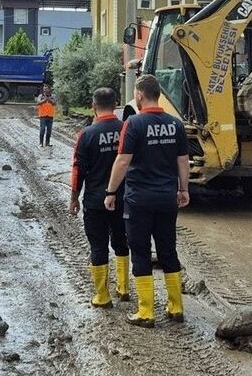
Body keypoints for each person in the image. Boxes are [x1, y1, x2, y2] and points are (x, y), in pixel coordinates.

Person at [105, 74, 189, 328]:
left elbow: (122, 161)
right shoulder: (176, 125)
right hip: (166, 198)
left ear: (140, 95)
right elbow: (183, 161)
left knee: (140, 251)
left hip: (139, 199)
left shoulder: (134, 123)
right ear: (159, 94)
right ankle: (176, 307)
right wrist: (183, 189)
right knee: (168, 250)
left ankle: (146, 312)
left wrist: (111, 192)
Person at [69, 87, 130, 308]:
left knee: (98, 245)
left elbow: (78, 170)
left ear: (94, 106)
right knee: (122, 241)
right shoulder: (126, 129)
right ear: (115, 105)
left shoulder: (86, 135)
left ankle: (102, 296)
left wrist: (74, 198)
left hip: (95, 201)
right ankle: (123, 288)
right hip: (123, 199)